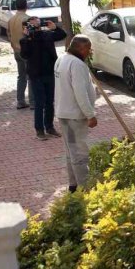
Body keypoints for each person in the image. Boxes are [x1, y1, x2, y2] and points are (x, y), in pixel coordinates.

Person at [54, 35, 98, 192]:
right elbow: (80, 92)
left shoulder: (62, 59)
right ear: (80, 48)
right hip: (74, 116)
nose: (90, 51)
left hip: (63, 112)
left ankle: (73, 184)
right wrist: (90, 114)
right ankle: (85, 189)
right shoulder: (77, 64)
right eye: (88, 48)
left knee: (70, 151)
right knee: (79, 153)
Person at [20, 16, 67, 139]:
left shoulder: (47, 35)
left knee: (49, 102)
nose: (34, 27)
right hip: (36, 75)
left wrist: (55, 27)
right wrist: (27, 37)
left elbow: (62, 35)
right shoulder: (25, 40)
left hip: (49, 73)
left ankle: (50, 127)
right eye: (31, 25)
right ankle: (39, 130)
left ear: (40, 25)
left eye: (36, 24)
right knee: (39, 103)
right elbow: (24, 54)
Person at [7, 0, 32, 109]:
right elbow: (31, 36)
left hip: (16, 50)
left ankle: (20, 100)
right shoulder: (27, 19)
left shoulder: (11, 19)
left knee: (21, 76)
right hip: (27, 51)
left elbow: (9, 35)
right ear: (26, 6)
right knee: (31, 76)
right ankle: (33, 101)